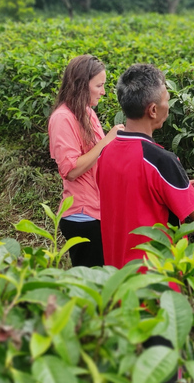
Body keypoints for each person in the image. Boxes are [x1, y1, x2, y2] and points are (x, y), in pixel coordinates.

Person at [96, 63, 194, 269]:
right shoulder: (160, 160)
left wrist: (179, 186)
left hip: (117, 277)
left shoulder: (106, 152)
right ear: (153, 110)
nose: (168, 106)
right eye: (167, 100)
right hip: (155, 280)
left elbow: (131, 192)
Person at [48, 55, 124, 267]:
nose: (103, 91)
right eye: (99, 85)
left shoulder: (87, 113)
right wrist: (107, 140)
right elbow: (70, 169)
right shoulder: (62, 118)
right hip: (82, 217)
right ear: (81, 85)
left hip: (99, 211)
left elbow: (100, 158)